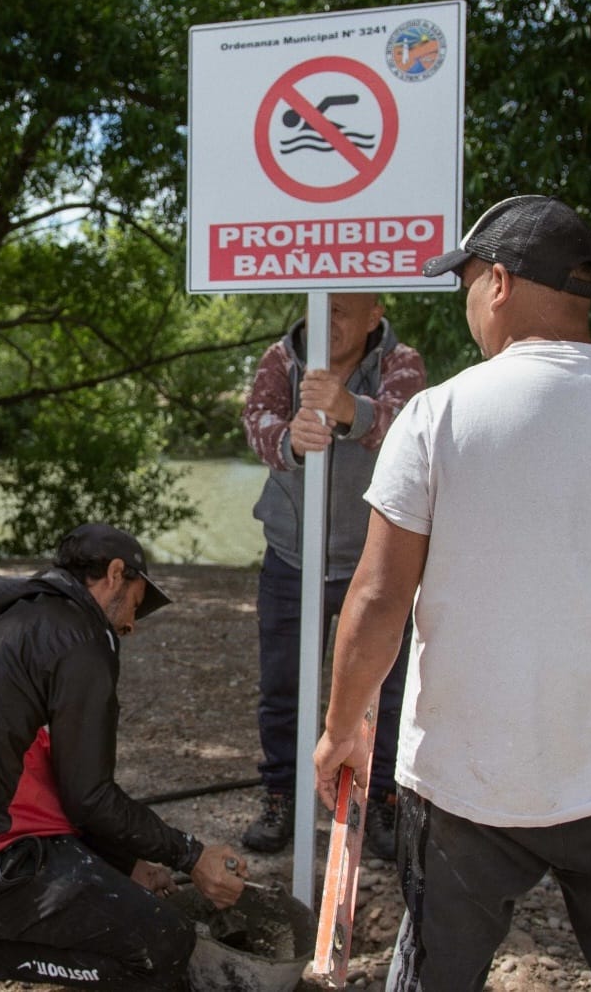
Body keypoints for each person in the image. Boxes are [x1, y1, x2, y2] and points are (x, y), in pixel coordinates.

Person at [313, 195, 591, 991]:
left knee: (437, 975)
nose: (470, 300)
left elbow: (376, 598)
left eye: (469, 280)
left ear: (501, 282)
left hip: (468, 781)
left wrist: (343, 728)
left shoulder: (438, 418)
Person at [0, 522, 248, 992]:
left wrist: (127, 862)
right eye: (135, 603)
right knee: (164, 944)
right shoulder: (83, 641)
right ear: (116, 574)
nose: (131, 624)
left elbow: (67, 781)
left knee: (125, 905)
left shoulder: (34, 619)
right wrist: (192, 854)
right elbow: (89, 797)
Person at [240, 292, 426, 859]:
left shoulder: (402, 362)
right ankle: (282, 797)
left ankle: (382, 801)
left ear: (375, 315)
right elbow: (255, 422)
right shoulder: (282, 357)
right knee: (282, 687)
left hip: (374, 559)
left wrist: (349, 409)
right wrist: (287, 440)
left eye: (345, 308)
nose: (330, 319)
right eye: (324, 305)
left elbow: (407, 428)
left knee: (385, 688)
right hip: (291, 556)